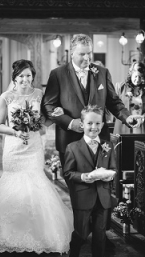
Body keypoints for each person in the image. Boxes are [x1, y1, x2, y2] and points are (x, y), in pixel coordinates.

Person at [0, 59, 73, 253]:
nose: (25, 79)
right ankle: (8, 232)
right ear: (14, 77)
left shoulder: (40, 95)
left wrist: (48, 121)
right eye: (21, 76)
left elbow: (47, 118)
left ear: (33, 77)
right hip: (14, 148)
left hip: (33, 146)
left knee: (35, 182)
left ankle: (41, 234)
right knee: (13, 183)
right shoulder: (6, 97)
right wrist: (16, 132)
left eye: (29, 76)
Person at [43, 34, 138, 168]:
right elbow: (48, 106)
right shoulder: (58, 74)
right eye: (82, 54)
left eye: (89, 53)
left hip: (100, 141)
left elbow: (114, 102)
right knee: (75, 186)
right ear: (72, 53)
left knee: (101, 185)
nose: (87, 58)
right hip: (69, 141)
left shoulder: (102, 72)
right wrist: (70, 123)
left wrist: (127, 117)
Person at [63, 105, 116, 257]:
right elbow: (68, 173)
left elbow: (113, 169)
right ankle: (75, 247)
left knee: (100, 237)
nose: (94, 127)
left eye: (98, 123)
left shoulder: (108, 146)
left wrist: (109, 174)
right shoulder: (72, 147)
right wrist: (85, 176)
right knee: (82, 233)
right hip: (82, 197)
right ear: (82, 124)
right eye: (90, 123)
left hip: (102, 197)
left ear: (102, 124)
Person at [113, 61, 145, 135]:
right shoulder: (120, 87)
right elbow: (115, 107)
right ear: (131, 74)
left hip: (140, 128)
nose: (137, 80)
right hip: (124, 127)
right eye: (136, 76)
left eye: (140, 77)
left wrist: (142, 118)